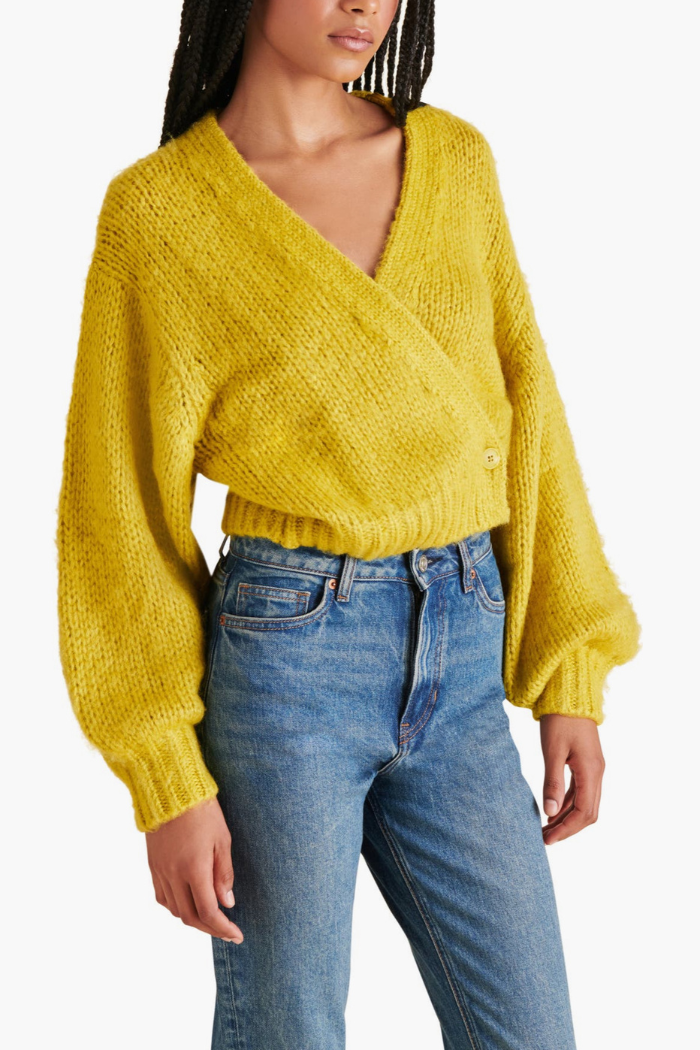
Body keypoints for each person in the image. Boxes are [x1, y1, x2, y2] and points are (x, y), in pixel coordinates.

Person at [55, 1, 642, 1048]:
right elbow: (117, 508)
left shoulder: (453, 162)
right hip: (287, 661)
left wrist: (569, 669)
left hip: (464, 639)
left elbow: (528, 407)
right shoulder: (161, 215)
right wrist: (164, 777)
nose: (364, 3)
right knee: (288, 1029)